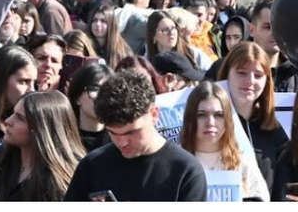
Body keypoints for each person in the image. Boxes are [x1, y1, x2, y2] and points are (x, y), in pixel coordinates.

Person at [64, 70, 207, 201]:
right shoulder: (92, 166)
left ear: (154, 114)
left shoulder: (185, 171)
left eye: (131, 132)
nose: (122, 142)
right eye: (113, 133)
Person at [217, 42, 289, 193]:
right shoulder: (209, 124)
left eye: (258, 75)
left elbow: (282, 189)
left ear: (266, 81)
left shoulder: (274, 131)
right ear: (227, 74)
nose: (250, 81)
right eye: (242, 72)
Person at [180, 81, 270, 201]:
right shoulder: (176, 163)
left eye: (218, 115)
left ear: (227, 119)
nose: (210, 123)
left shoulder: (242, 162)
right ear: (190, 118)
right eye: (201, 115)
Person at [0, 91, 84, 201]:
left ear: (41, 130)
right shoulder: (2, 160)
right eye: (13, 113)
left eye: (20, 118)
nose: (8, 121)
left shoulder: (59, 183)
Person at [67, 63, 114, 152]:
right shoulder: (65, 140)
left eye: (108, 90)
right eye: (95, 89)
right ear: (77, 98)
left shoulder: (119, 141)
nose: (102, 96)